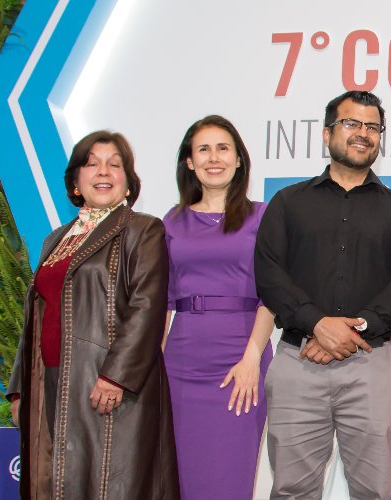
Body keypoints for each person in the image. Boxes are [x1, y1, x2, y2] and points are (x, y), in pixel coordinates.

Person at [254, 90, 391, 499]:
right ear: (326, 133)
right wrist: (316, 323)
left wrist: (355, 329)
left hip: (372, 364)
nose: (362, 133)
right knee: (292, 490)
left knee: (376, 490)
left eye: (373, 127)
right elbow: (269, 274)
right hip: (299, 361)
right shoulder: (288, 203)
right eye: (351, 123)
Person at [7, 130, 178, 499]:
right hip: (51, 379)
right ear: (75, 181)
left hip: (106, 383)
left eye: (114, 165)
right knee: (58, 485)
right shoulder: (56, 239)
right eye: (92, 164)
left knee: (106, 487)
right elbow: (35, 314)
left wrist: (116, 376)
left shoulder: (143, 230)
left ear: (128, 183)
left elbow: (147, 306)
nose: (103, 171)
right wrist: (20, 388)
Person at [162, 115, 274, 499]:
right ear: (189, 161)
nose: (214, 158)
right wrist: (153, 368)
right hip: (181, 366)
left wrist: (251, 360)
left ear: (239, 159)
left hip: (241, 361)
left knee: (231, 478)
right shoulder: (172, 221)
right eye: (203, 149)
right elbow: (161, 303)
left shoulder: (263, 216)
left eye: (223, 148)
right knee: (183, 479)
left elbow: (271, 298)